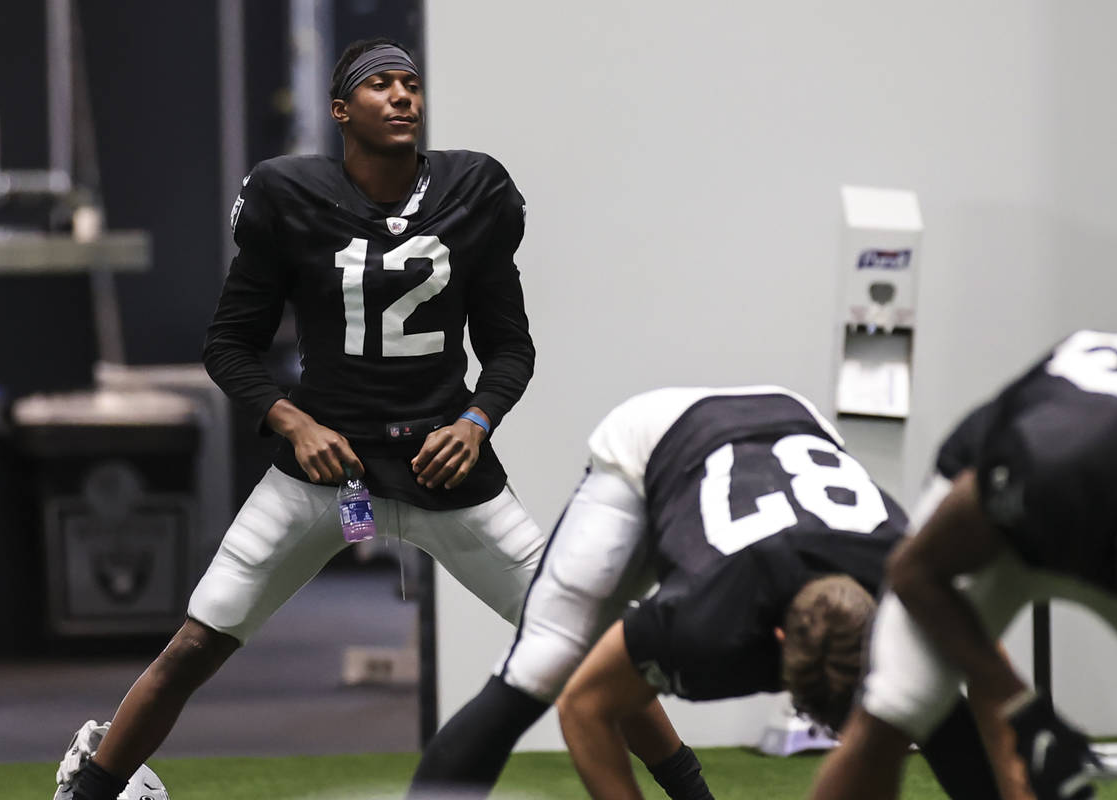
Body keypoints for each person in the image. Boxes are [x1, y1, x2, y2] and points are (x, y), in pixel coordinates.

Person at [52, 38, 547, 800]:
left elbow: (511, 348)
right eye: (381, 84)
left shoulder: (473, 187)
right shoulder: (290, 194)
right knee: (197, 640)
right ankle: (91, 788)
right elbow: (228, 345)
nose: (403, 96)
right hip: (329, 469)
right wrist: (294, 423)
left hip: (445, 467)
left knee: (580, 639)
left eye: (411, 83)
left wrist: (476, 421)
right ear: (341, 110)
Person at [411, 386, 1005, 800]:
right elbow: (586, 706)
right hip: (655, 442)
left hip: (792, 420)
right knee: (540, 666)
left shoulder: (918, 592)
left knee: (940, 716)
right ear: (773, 644)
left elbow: (990, 690)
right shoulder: (710, 619)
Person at [808, 329, 1117, 800]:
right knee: (892, 712)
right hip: (999, 528)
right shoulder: (1044, 468)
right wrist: (1016, 702)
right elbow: (913, 572)